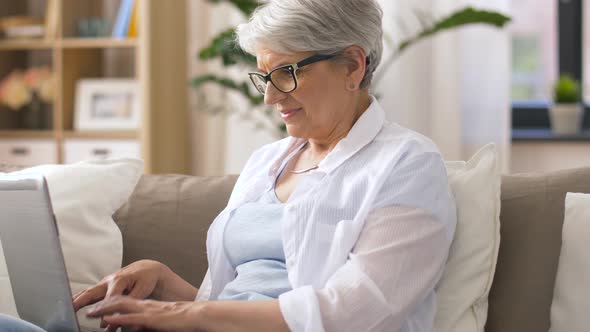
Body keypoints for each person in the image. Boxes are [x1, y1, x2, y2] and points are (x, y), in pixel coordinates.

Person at [3, 0, 456, 331]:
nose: (270, 97)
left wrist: (189, 314)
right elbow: (233, 302)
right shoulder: (268, 162)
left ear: (352, 66)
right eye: (264, 76)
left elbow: (354, 312)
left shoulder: (406, 166)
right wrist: (167, 286)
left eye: (286, 73)